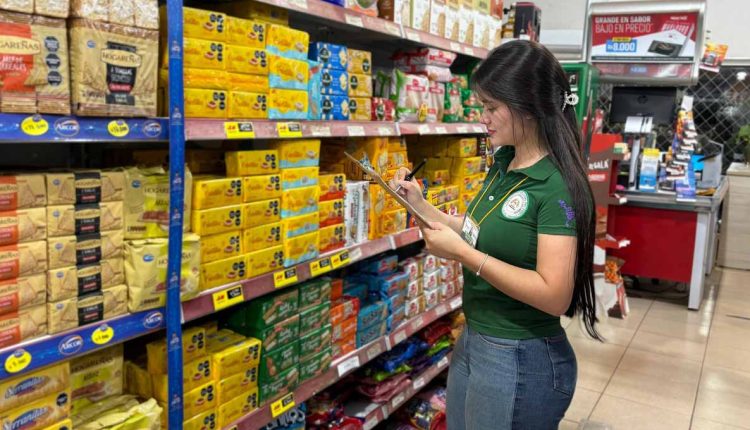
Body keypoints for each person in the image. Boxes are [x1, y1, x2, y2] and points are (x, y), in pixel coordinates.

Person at [390, 40, 599, 429]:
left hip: (520, 355)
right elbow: (476, 231)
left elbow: (555, 295)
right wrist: (420, 205)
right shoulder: (504, 161)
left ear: (528, 107)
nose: (482, 117)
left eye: (491, 107)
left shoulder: (555, 186)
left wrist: (464, 256)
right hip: (477, 338)